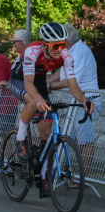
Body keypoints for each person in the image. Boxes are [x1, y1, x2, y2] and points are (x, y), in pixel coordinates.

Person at [9, 21, 94, 194]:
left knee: (47, 134)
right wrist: (40, 99)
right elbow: (28, 82)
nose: (59, 49)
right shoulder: (32, 51)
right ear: (45, 44)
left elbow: (72, 85)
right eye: (56, 45)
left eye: (62, 44)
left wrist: (84, 99)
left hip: (39, 82)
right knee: (34, 102)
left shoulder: (66, 56)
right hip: (21, 80)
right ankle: (19, 139)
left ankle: (43, 173)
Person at [48, 24, 101, 178]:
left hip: (85, 102)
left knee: (85, 141)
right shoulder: (71, 51)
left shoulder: (79, 51)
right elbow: (62, 73)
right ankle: (74, 176)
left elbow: (71, 82)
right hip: (76, 102)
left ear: (65, 38)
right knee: (75, 140)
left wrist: (49, 85)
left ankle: (82, 177)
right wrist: (46, 83)